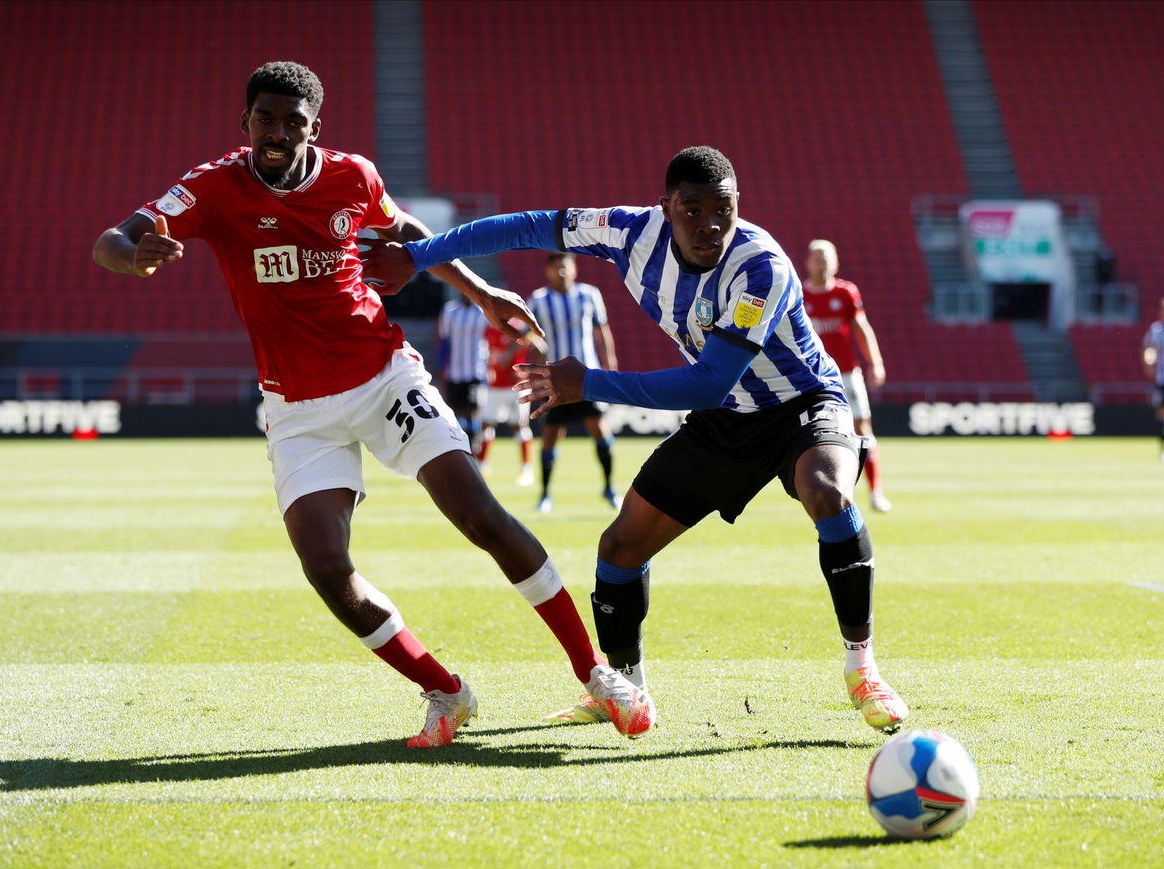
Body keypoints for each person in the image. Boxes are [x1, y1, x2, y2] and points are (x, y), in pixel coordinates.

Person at [92, 61, 644, 747]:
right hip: (297, 409)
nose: (276, 132)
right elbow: (113, 238)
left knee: (480, 514)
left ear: (313, 129)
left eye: (293, 121)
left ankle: (595, 672)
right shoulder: (211, 188)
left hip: (385, 378)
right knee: (326, 567)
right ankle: (446, 692)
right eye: (265, 118)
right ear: (246, 123)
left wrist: (481, 291)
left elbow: (407, 230)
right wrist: (133, 256)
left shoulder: (353, 176)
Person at [362, 145, 909, 739]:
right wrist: (419, 255)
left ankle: (863, 668)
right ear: (665, 207)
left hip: (802, 404)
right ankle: (623, 686)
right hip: (725, 420)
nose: (709, 225)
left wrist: (587, 382)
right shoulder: (625, 232)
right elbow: (524, 226)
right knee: (620, 547)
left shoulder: (761, 267)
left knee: (826, 490)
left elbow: (708, 379)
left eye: (722, 209)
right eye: (692, 210)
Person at [803, 240, 892, 512]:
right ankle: (821, 492)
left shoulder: (846, 292)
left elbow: (861, 327)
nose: (823, 263)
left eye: (828, 258)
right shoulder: (798, 292)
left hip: (846, 373)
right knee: (808, 436)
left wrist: (875, 362)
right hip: (810, 375)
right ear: (808, 262)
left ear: (837, 262)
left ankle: (875, 491)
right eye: (818, 258)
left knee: (862, 429)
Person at [528, 252, 621, 513]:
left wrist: (610, 367)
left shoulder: (589, 294)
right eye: (556, 268)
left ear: (574, 269)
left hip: (587, 377)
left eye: (565, 267)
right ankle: (545, 494)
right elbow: (535, 343)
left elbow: (602, 333)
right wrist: (536, 377)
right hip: (554, 381)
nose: (561, 272)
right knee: (550, 437)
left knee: (601, 432)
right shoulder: (537, 300)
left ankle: (610, 488)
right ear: (548, 271)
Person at [478, 319, 537, 485]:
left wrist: (510, 356)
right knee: (486, 423)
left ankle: (526, 469)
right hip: (495, 384)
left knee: (519, 425)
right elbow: (488, 351)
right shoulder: (489, 327)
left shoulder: (517, 326)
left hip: (516, 384)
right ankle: (482, 466)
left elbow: (531, 338)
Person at [436, 293, 489, 453]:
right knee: (455, 410)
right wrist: (441, 366)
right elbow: (444, 340)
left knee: (473, 410)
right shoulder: (450, 311)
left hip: (476, 371)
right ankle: (459, 447)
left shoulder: (482, 312)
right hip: (455, 371)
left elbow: (490, 338)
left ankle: (474, 448)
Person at [1143, 297, 1164, 461]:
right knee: (1161, 415)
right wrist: (1149, 361)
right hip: (1162, 379)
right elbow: (1149, 349)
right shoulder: (1156, 330)